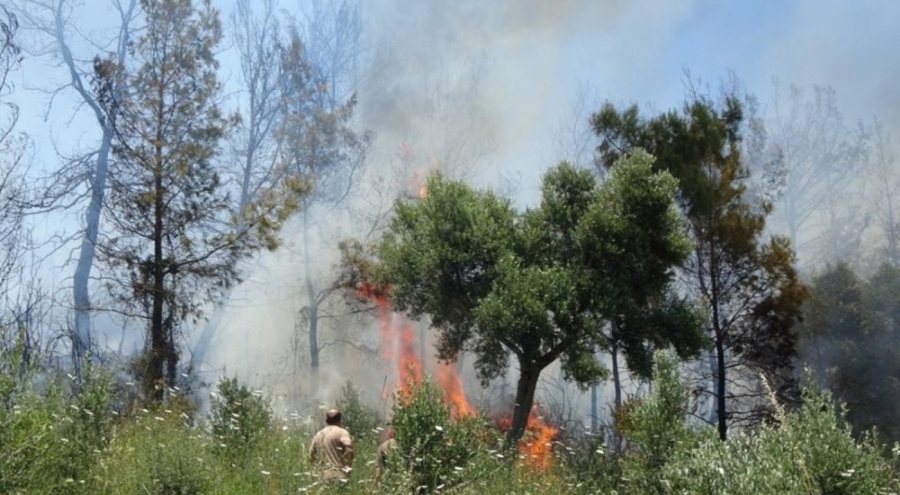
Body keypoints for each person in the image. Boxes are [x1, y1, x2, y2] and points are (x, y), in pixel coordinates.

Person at [308, 408, 354, 483]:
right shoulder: (341, 432)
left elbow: (311, 456)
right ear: (340, 420)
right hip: (338, 475)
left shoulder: (319, 434)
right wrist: (347, 467)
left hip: (322, 477)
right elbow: (348, 445)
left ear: (326, 421)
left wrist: (317, 470)